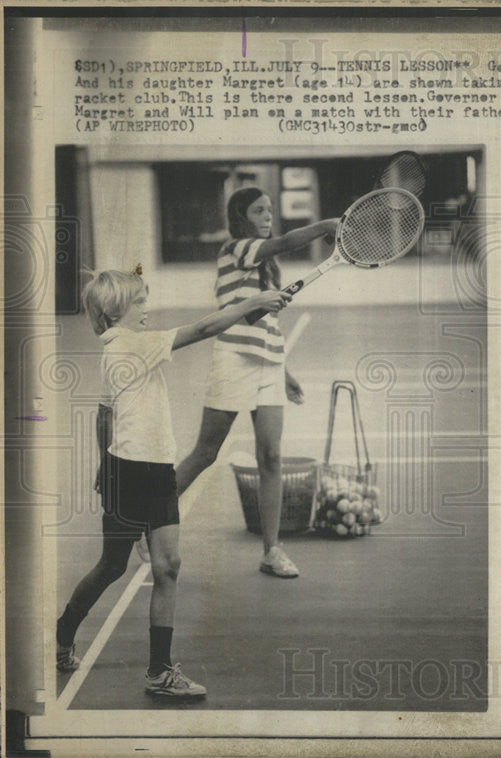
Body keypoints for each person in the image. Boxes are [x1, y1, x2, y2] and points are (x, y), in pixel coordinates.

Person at [56, 270, 290, 697]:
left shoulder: (116, 348)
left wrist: (100, 464)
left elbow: (104, 414)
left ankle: (159, 672)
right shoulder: (135, 345)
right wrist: (252, 304)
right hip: (131, 471)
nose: (147, 308)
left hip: (155, 469)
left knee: (168, 566)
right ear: (114, 311)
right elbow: (203, 328)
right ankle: (63, 631)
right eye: (140, 302)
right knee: (113, 566)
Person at [174, 188, 339, 578]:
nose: (268, 216)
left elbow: (267, 326)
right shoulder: (236, 249)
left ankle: (271, 551)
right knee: (205, 452)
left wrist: (284, 372)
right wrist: (326, 226)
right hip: (232, 360)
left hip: (268, 366)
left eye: (269, 210)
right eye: (259, 210)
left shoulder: (268, 268)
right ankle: (145, 519)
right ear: (242, 217)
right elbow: (282, 242)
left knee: (272, 458)